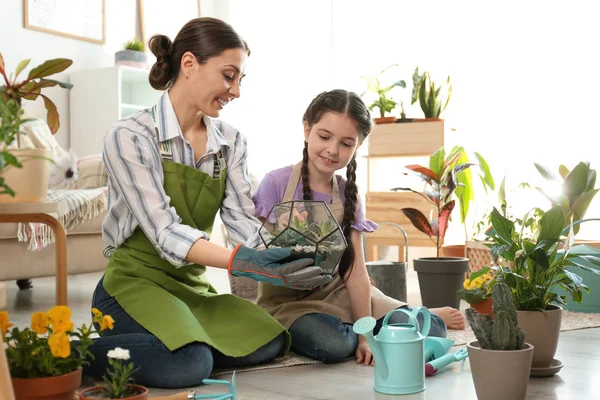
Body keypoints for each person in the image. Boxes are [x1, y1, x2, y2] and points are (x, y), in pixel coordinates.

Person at [84, 17, 331, 389]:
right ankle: (74, 353)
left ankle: (170, 341)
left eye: (240, 80)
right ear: (188, 65)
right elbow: (164, 232)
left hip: (189, 285)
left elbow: (241, 221)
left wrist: (281, 257)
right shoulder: (129, 137)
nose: (235, 91)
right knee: (190, 363)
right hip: (133, 284)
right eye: (228, 76)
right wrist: (243, 262)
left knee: (270, 338)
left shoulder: (230, 142)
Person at [252, 89, 465, 366]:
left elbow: (354, 269)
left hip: (340, 293)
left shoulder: (349, 193)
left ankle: (400, 314)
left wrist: (366, 338)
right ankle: (395, 316)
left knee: (433, 326)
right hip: (289, 302)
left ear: (358, 146)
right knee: (335, 343)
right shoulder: (276, 183)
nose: (332, 150)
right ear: (307, 129)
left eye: (346, 143)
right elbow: (255, 252)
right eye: (324, 137)